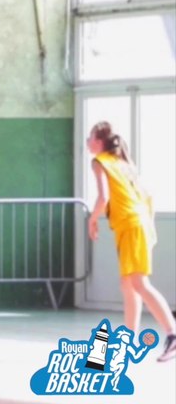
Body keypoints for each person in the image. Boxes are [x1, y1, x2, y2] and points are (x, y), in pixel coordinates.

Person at [87, 121, 176, 362]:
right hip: (139, 222)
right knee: (128, 285)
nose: (87, 141)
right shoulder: (124, 163)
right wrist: (150, 226)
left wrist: (92, 219)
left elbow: (103, 197)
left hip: (131, 224)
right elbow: (148, 196)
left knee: (139, 283)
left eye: (90, 137)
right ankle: (128, 341)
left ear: (99, 141)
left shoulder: (100, 162)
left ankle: (172, 334)